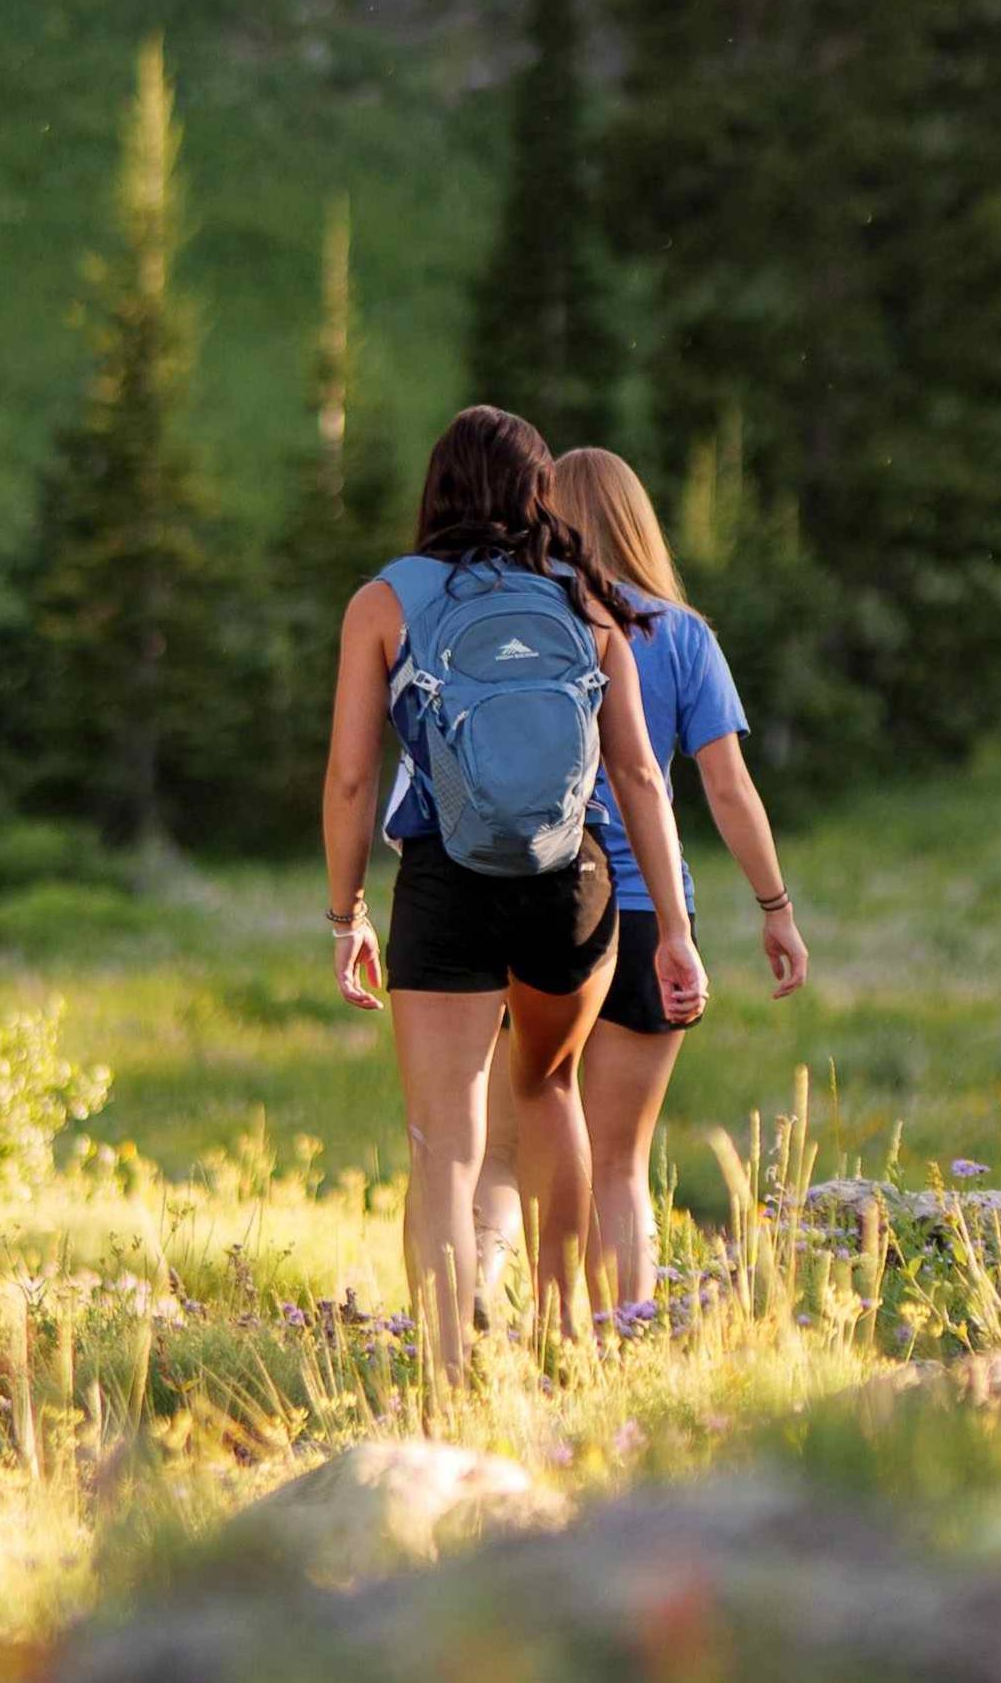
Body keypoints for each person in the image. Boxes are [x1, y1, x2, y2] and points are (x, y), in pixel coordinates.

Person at [320, 407, 691, 1369]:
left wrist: (346, 912)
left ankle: (447, 1368)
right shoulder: (587, 600)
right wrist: (679, 928)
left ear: (436, 489)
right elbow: (641, 778)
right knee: (551, 1088)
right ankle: (564, 1335)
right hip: (571, 881)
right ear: (540, 495)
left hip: (447, 881)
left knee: (445, 1140)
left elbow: (354, 780)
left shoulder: (384, 602)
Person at [481, 448, 806, 1323]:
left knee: (507, 1150)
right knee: (622, 1163)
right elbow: (728, 789)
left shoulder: (516, 623)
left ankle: (496, 1318)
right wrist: (774, 910)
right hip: (645, 905)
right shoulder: (683, 636)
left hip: (531, 898)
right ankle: (621, 1334)